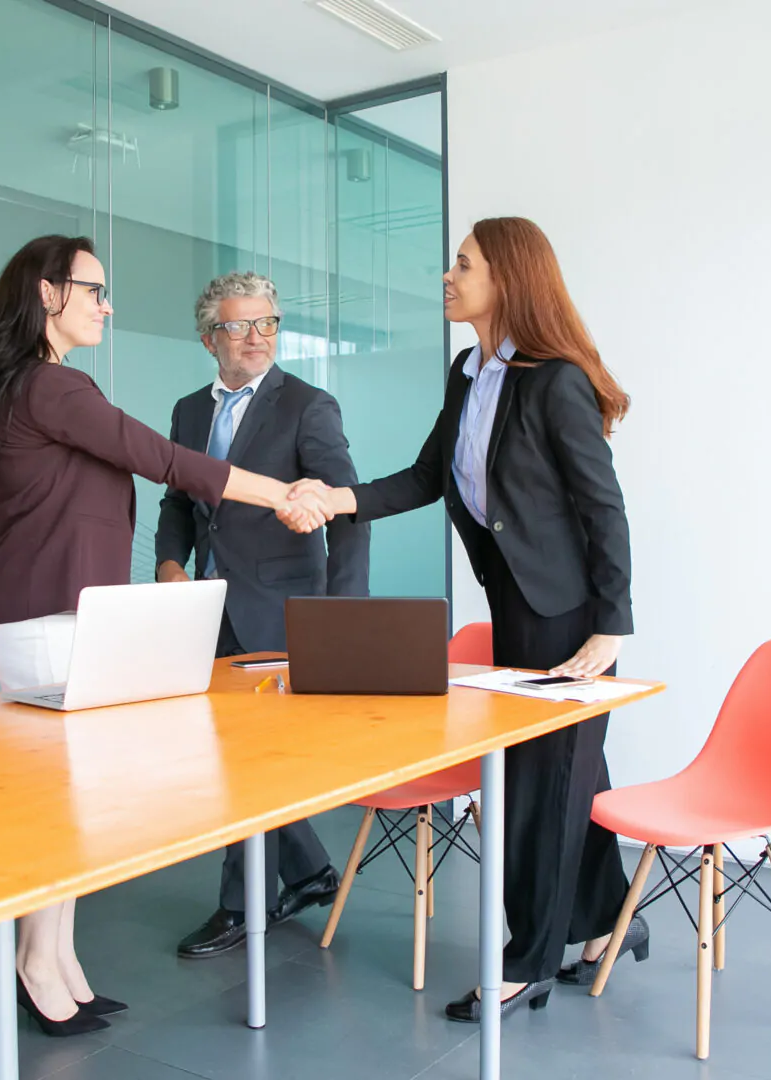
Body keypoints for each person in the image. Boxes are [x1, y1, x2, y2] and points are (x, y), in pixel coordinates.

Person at [0, 235, 329, 1038]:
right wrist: (286, 495)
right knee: (59, 807)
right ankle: (36, 965)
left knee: (64, 803)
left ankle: (55, 961)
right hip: (46, 617)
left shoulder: (21, 384)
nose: (107, 305)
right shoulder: (51, 385)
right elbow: (163, 460)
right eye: (94, 290)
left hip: (43, 612)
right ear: (48, 293)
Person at [288, 216, 650, 1023]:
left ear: (507, 278)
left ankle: (527, 962)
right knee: (570, 775)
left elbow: (604, 507)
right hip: (513, 603)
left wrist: (611, 625)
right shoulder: (468, 372)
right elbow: (429, 475)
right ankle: (609, 923)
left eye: (464, 265)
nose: (448, 277)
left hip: (572, 616)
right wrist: (340, 500)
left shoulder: (555, 380)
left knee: (541, 788)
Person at [157, 271, 371, 959]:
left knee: (247, 762)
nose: (257, 338)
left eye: (267, 323)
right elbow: (177, 501)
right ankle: (307, 870)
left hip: (282, 609)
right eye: (239, 326)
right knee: (229, 756)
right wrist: (169, 563)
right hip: (208, 609)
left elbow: (348, 509)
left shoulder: (308, 405)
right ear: (208, 338)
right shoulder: (189, 411)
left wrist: (342, 619)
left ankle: (240, 906)